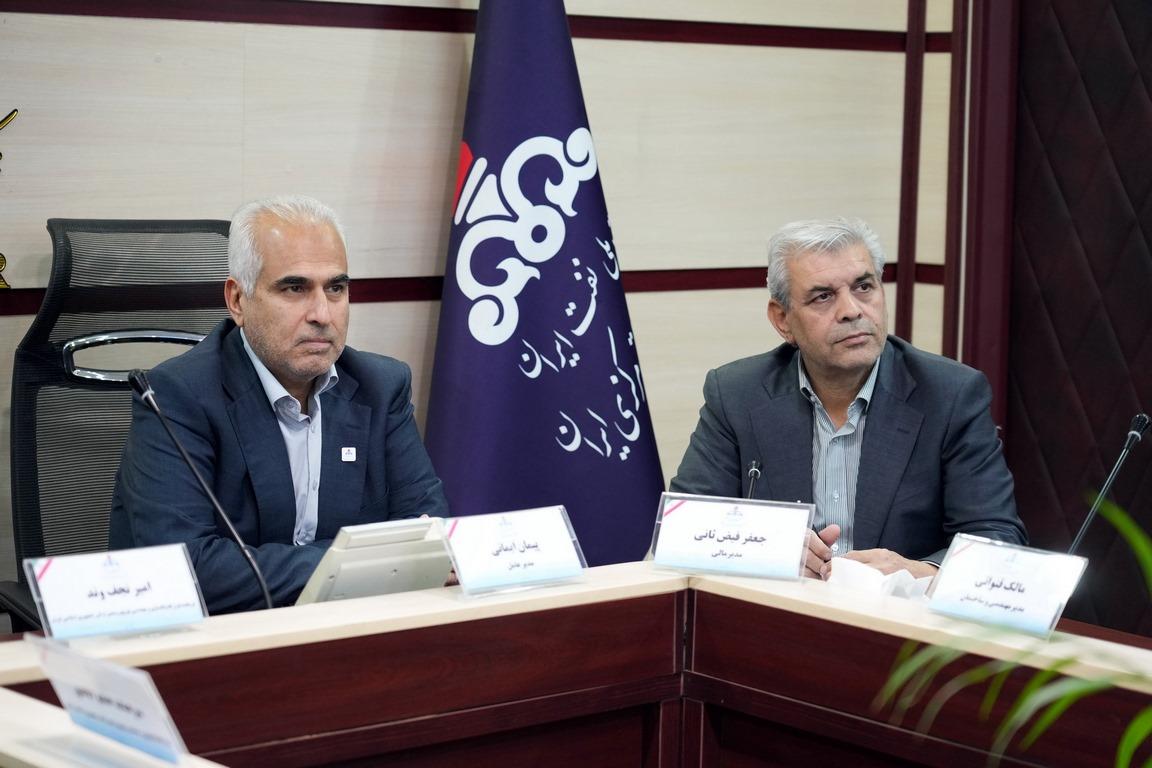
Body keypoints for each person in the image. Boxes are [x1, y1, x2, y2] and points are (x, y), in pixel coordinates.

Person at [110, 195, 448, 613]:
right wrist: (356, 562)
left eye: (336, 288)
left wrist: (375, 561)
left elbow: (427, 534)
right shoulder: (177, 395)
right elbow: (186, 568)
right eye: (295, 288)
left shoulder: (380, 386)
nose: (322, 313)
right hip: (225, 637)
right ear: (238, 300)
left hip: (349, 626)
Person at [670, 217, 1026, 580]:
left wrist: (917, 571)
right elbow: (681, 530)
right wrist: (769, 548)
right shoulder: (737, 393)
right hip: (779, 608)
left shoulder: (950, 395)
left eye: (864, 287)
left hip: (894, 613)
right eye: (823, 296)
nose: (852, 310)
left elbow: (996, 540)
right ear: (782, 319)